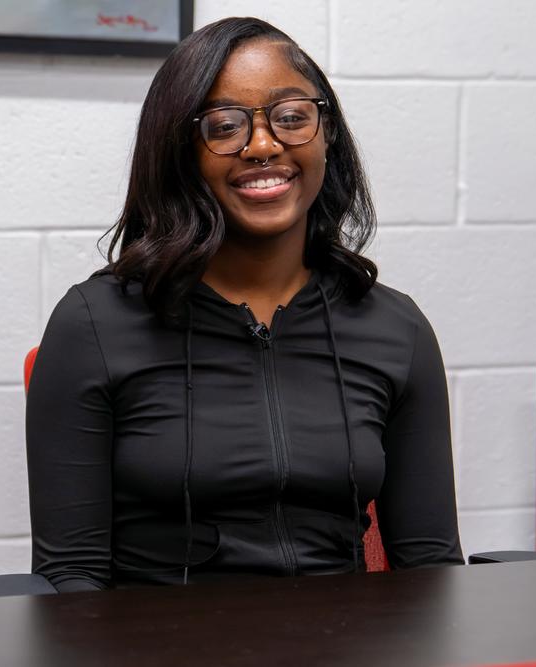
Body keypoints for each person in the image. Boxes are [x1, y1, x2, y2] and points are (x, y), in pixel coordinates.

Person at [25, 17, 463, 593]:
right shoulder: (96, 325)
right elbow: (69, 580)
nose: (263, 146)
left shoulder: (394, 327)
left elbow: (430, 568)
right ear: (180, 150)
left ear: (326, 134)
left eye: (291, 117)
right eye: (225, 126)